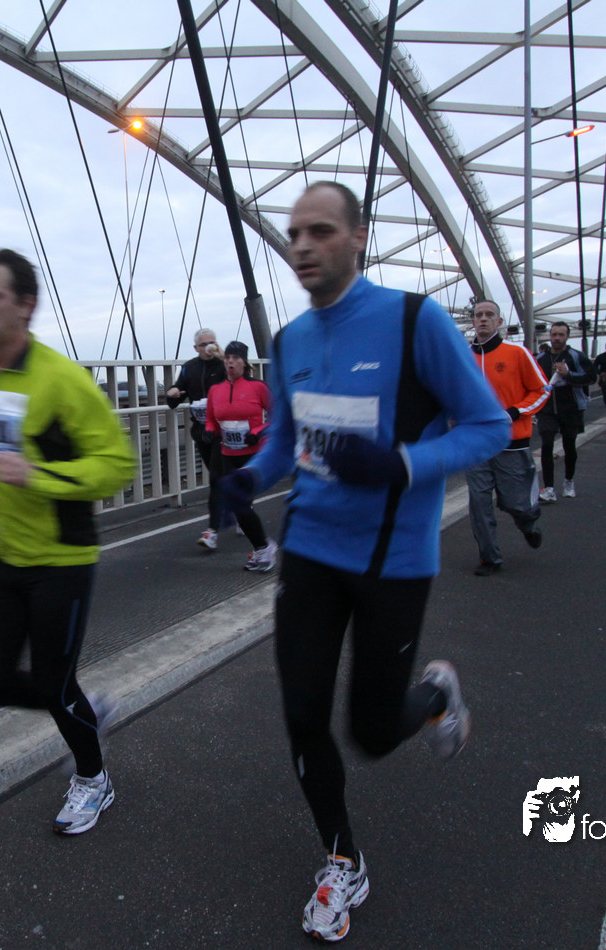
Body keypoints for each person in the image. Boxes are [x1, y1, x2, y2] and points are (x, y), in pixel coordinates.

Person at [216, 181, 508, 942]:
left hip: (393, 560)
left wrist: (401, 464)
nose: (302, 246)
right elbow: (287, 441)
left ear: (357, 238)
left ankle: (436, 695)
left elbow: (488, 426)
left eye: (320, 230)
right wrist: (250, 477)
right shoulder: (290, 342)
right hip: (311, 552)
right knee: (302, 714)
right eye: (293, 234)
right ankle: (342, 857)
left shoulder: (415, 321)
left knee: (373, 733)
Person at [0, 248, 135, 835]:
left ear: (25, 305)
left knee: (53, 684)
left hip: (60, 562)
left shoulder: (63, 380)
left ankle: (93, 779)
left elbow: (117, 465)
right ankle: (86, 707)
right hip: (0, 557)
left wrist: (38, 475)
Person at [466, 299, 549, 576]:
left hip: (511, 443)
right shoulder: (462, 358)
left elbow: (542, 390)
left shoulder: (517, 353)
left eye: (489, 314)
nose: (483, 319)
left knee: (517, 504)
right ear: (473, 321)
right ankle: (489, 558)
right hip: (476, 444)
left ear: (499, 322)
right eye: (478, 315)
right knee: (479, 504)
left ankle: (528, 523)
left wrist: (514, 412)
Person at [204, 340, 279, 571]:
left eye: (235, 358)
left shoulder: (258, 387)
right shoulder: (216, 390)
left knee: (241, 504)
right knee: (237, 504)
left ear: (244, 362)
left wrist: (258, 432)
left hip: (254, 455)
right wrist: (209, 431)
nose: (230, 362)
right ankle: (262, 548)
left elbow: (278, 417)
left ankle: (264, 549)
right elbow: (210, 418)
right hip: (228, 453)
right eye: (227, 358)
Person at [166, 328, 227, 548]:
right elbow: (176, 396)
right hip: (202, 430)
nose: (209, 347)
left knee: (216, 479)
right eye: (204, 344)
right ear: (196, 348)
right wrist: (172, 392)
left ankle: (212, 531)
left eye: (213, 342)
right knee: (221, 477)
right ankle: (241, 507)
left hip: (225, 429)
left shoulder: (224, 364)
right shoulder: (189, 367)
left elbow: (243, 379)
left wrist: (223, 356)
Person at [535, 322, 596, 501]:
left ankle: (569, 481)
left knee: (569, 446)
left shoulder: (576, 356)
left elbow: (591, 378)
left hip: (571, 407)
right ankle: (549, 488)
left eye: (561, 335)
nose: (557, 338)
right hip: (547, 408)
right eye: (554, 334)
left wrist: (568, 375)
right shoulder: (541, 358)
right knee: (547, 444)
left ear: (567, 336)